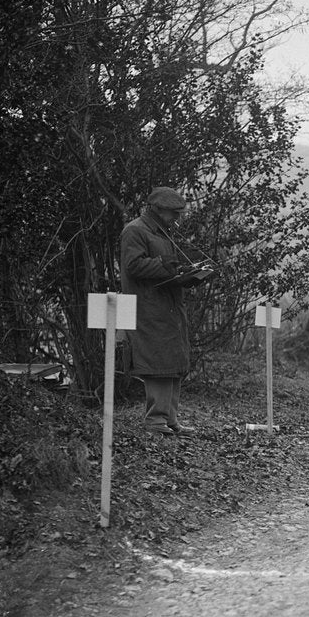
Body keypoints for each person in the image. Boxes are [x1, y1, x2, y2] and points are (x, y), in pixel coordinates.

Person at [120, 186, 194, 437]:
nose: (176, 218)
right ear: (157, 210)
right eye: (173, 213)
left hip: (169, 306)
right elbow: (133, 266)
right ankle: (155, 421)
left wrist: (184, 273)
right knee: (158, 363)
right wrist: (166, 266)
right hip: (149, 308)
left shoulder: (162, 232)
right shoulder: (135, 231)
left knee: (174, 363)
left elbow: (164, 267)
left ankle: (170, 419)